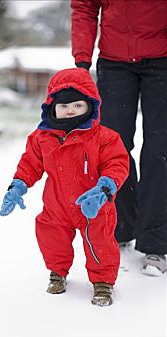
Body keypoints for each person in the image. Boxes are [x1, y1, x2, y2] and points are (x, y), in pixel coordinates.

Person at [0, 68, 129, 306]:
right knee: (51, 237)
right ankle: (57, 272)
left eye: (78, 105)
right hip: (57, 204)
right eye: (64, 106)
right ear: (52, 108)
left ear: (91, 106)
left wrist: (104, 189)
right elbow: (30, 163)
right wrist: (17, 186)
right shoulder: (41, 138)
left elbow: (117, 164)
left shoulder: (104, 137)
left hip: (94, 203)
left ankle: (103, 282)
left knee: (100, 242)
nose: (70, 110)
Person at [71, 0, 167, 276]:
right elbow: (85, 7)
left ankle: (155, 242)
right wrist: (81, 60)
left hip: (161, 61)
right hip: (114, 64)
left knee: (159, 151)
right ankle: (121, 227)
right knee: (114, 148)